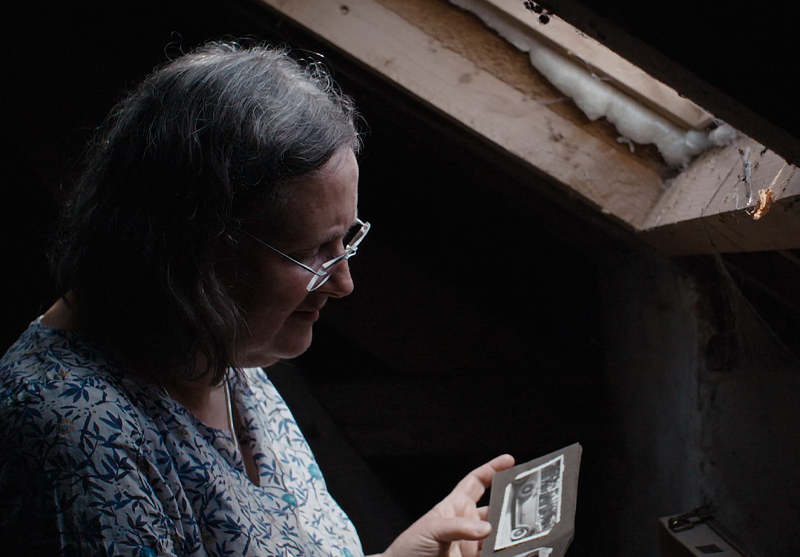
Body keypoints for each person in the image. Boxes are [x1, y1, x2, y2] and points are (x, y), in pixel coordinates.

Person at [0, 41, 513, 556]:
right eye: (311, 252)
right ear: (199, 250)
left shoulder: (214, 343)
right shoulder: (73, 431)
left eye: (347, 239)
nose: (343, 282)